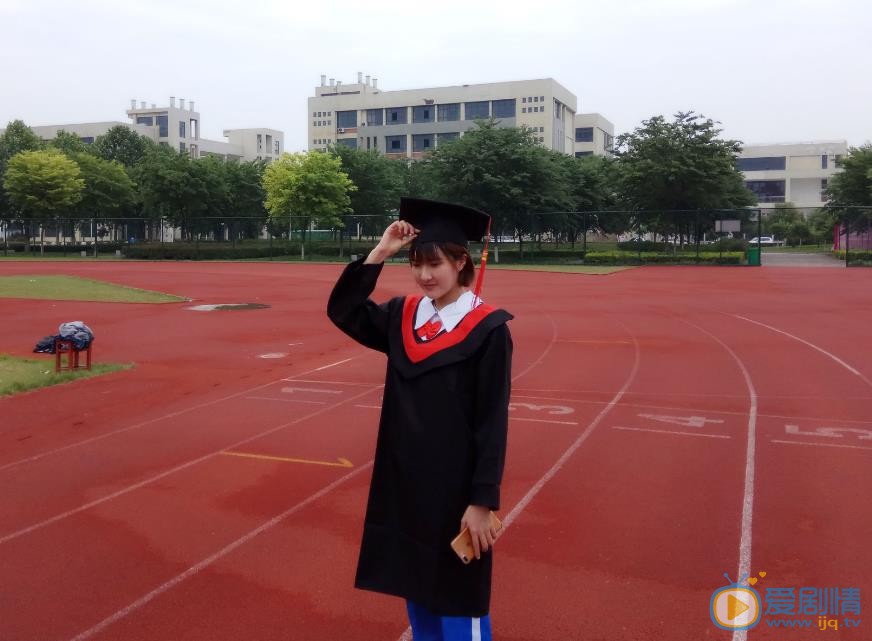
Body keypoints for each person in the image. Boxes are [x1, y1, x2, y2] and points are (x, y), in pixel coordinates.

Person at [327, 197, 513, 641]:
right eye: (417, 264)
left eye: (436, 264)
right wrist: (379, 252)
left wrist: (482, 501)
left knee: (458, 593)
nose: (425, 275)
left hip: (455, 490)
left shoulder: (488, 330)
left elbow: (492, 422)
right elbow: (344, 311)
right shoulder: (402, 316)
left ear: (461, 261)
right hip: (405, 482)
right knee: (414, 580)